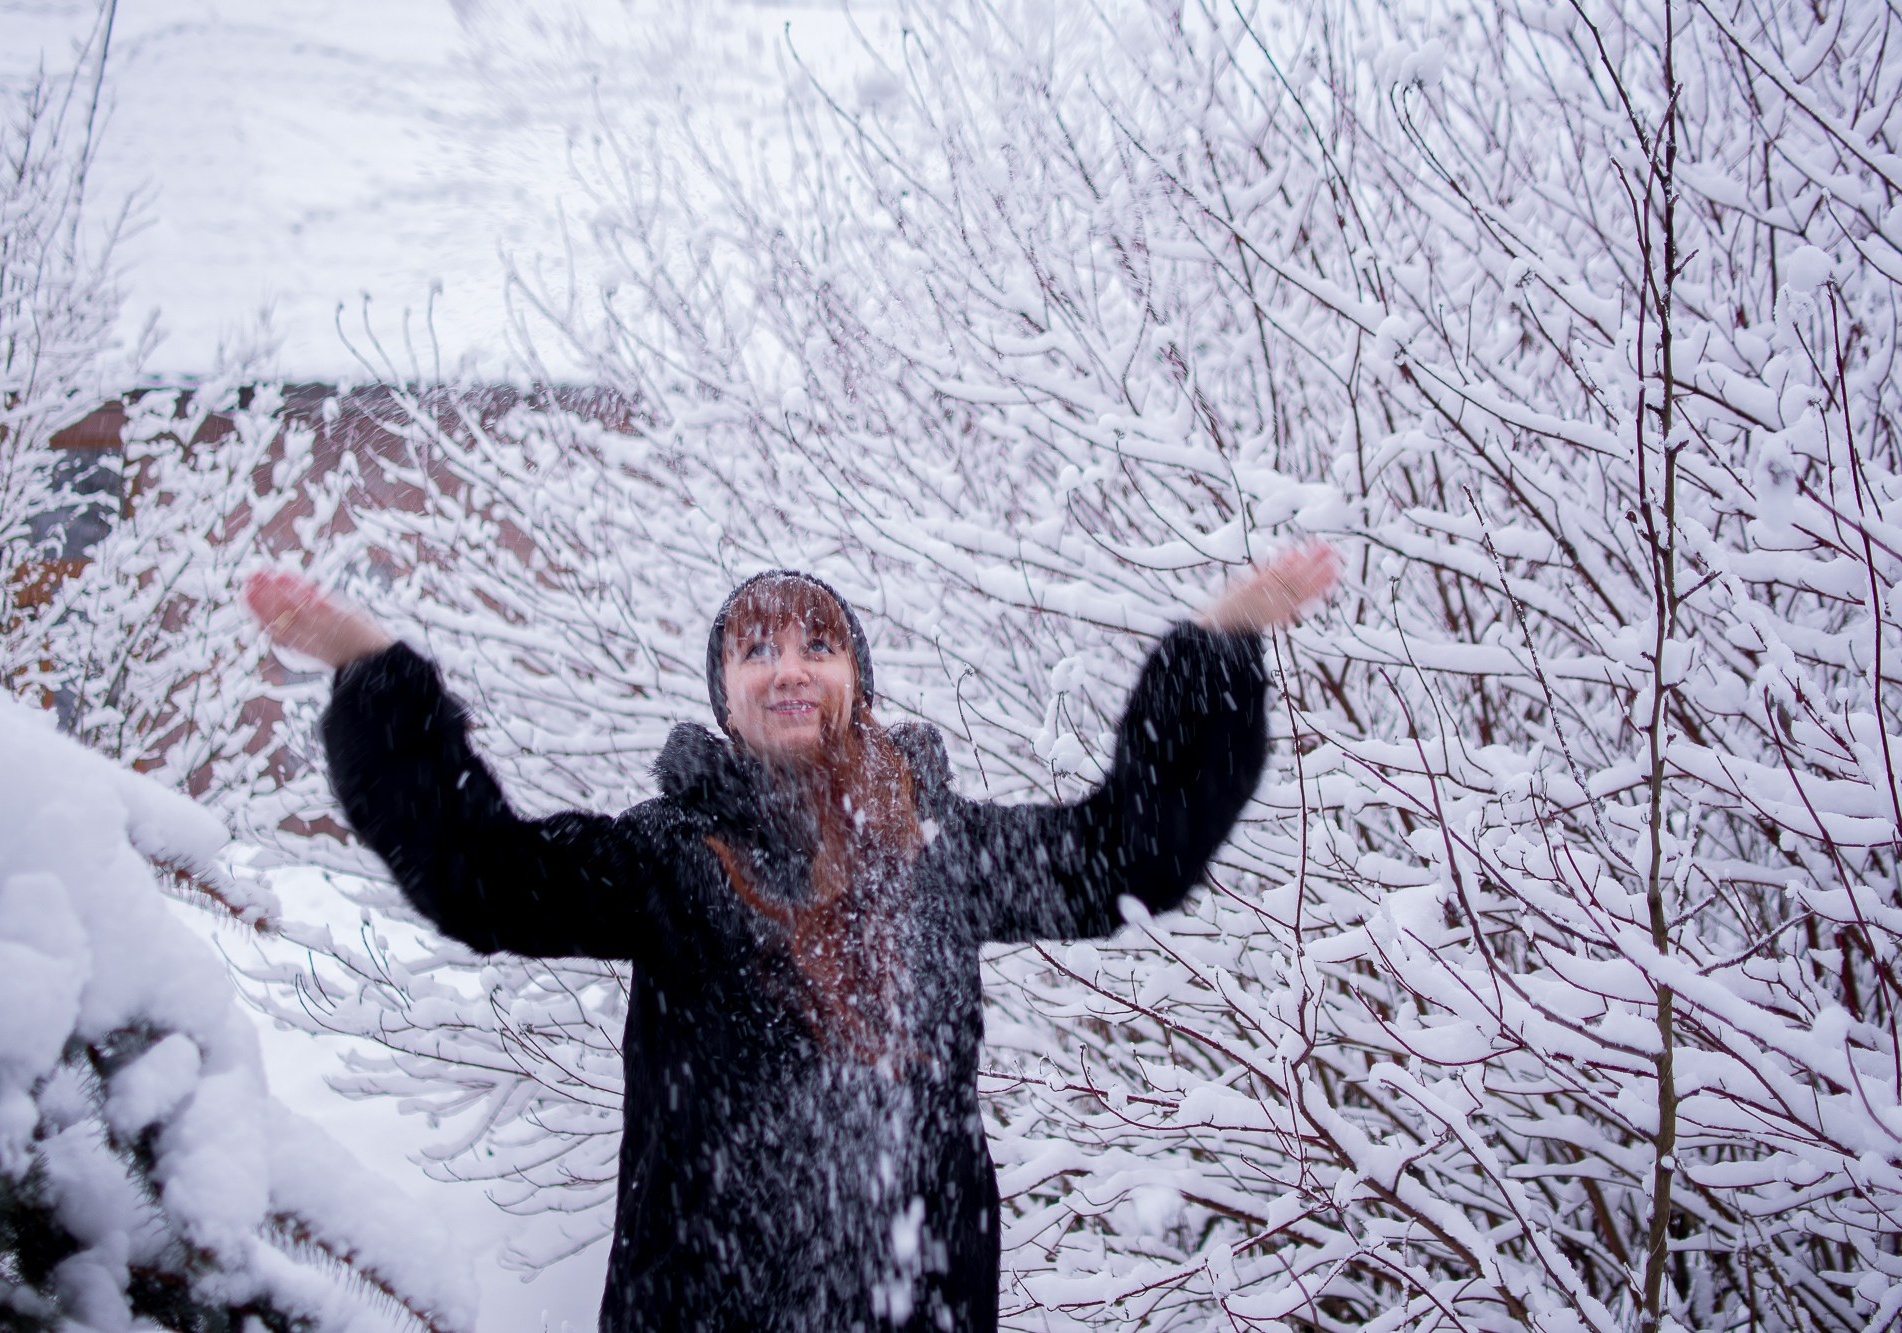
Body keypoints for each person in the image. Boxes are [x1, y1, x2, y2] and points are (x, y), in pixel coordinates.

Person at [243, 546, 1337, 1333]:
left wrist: (1213, 651)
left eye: (818, 642)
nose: (788, 665)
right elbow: (485, 877)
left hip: (917, 1298)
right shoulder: (671, 858)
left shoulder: (938, 850)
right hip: (704, 1303)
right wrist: (372, 667)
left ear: (856, 681)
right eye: (755, 646)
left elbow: (1127, 856)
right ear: (724, 695)